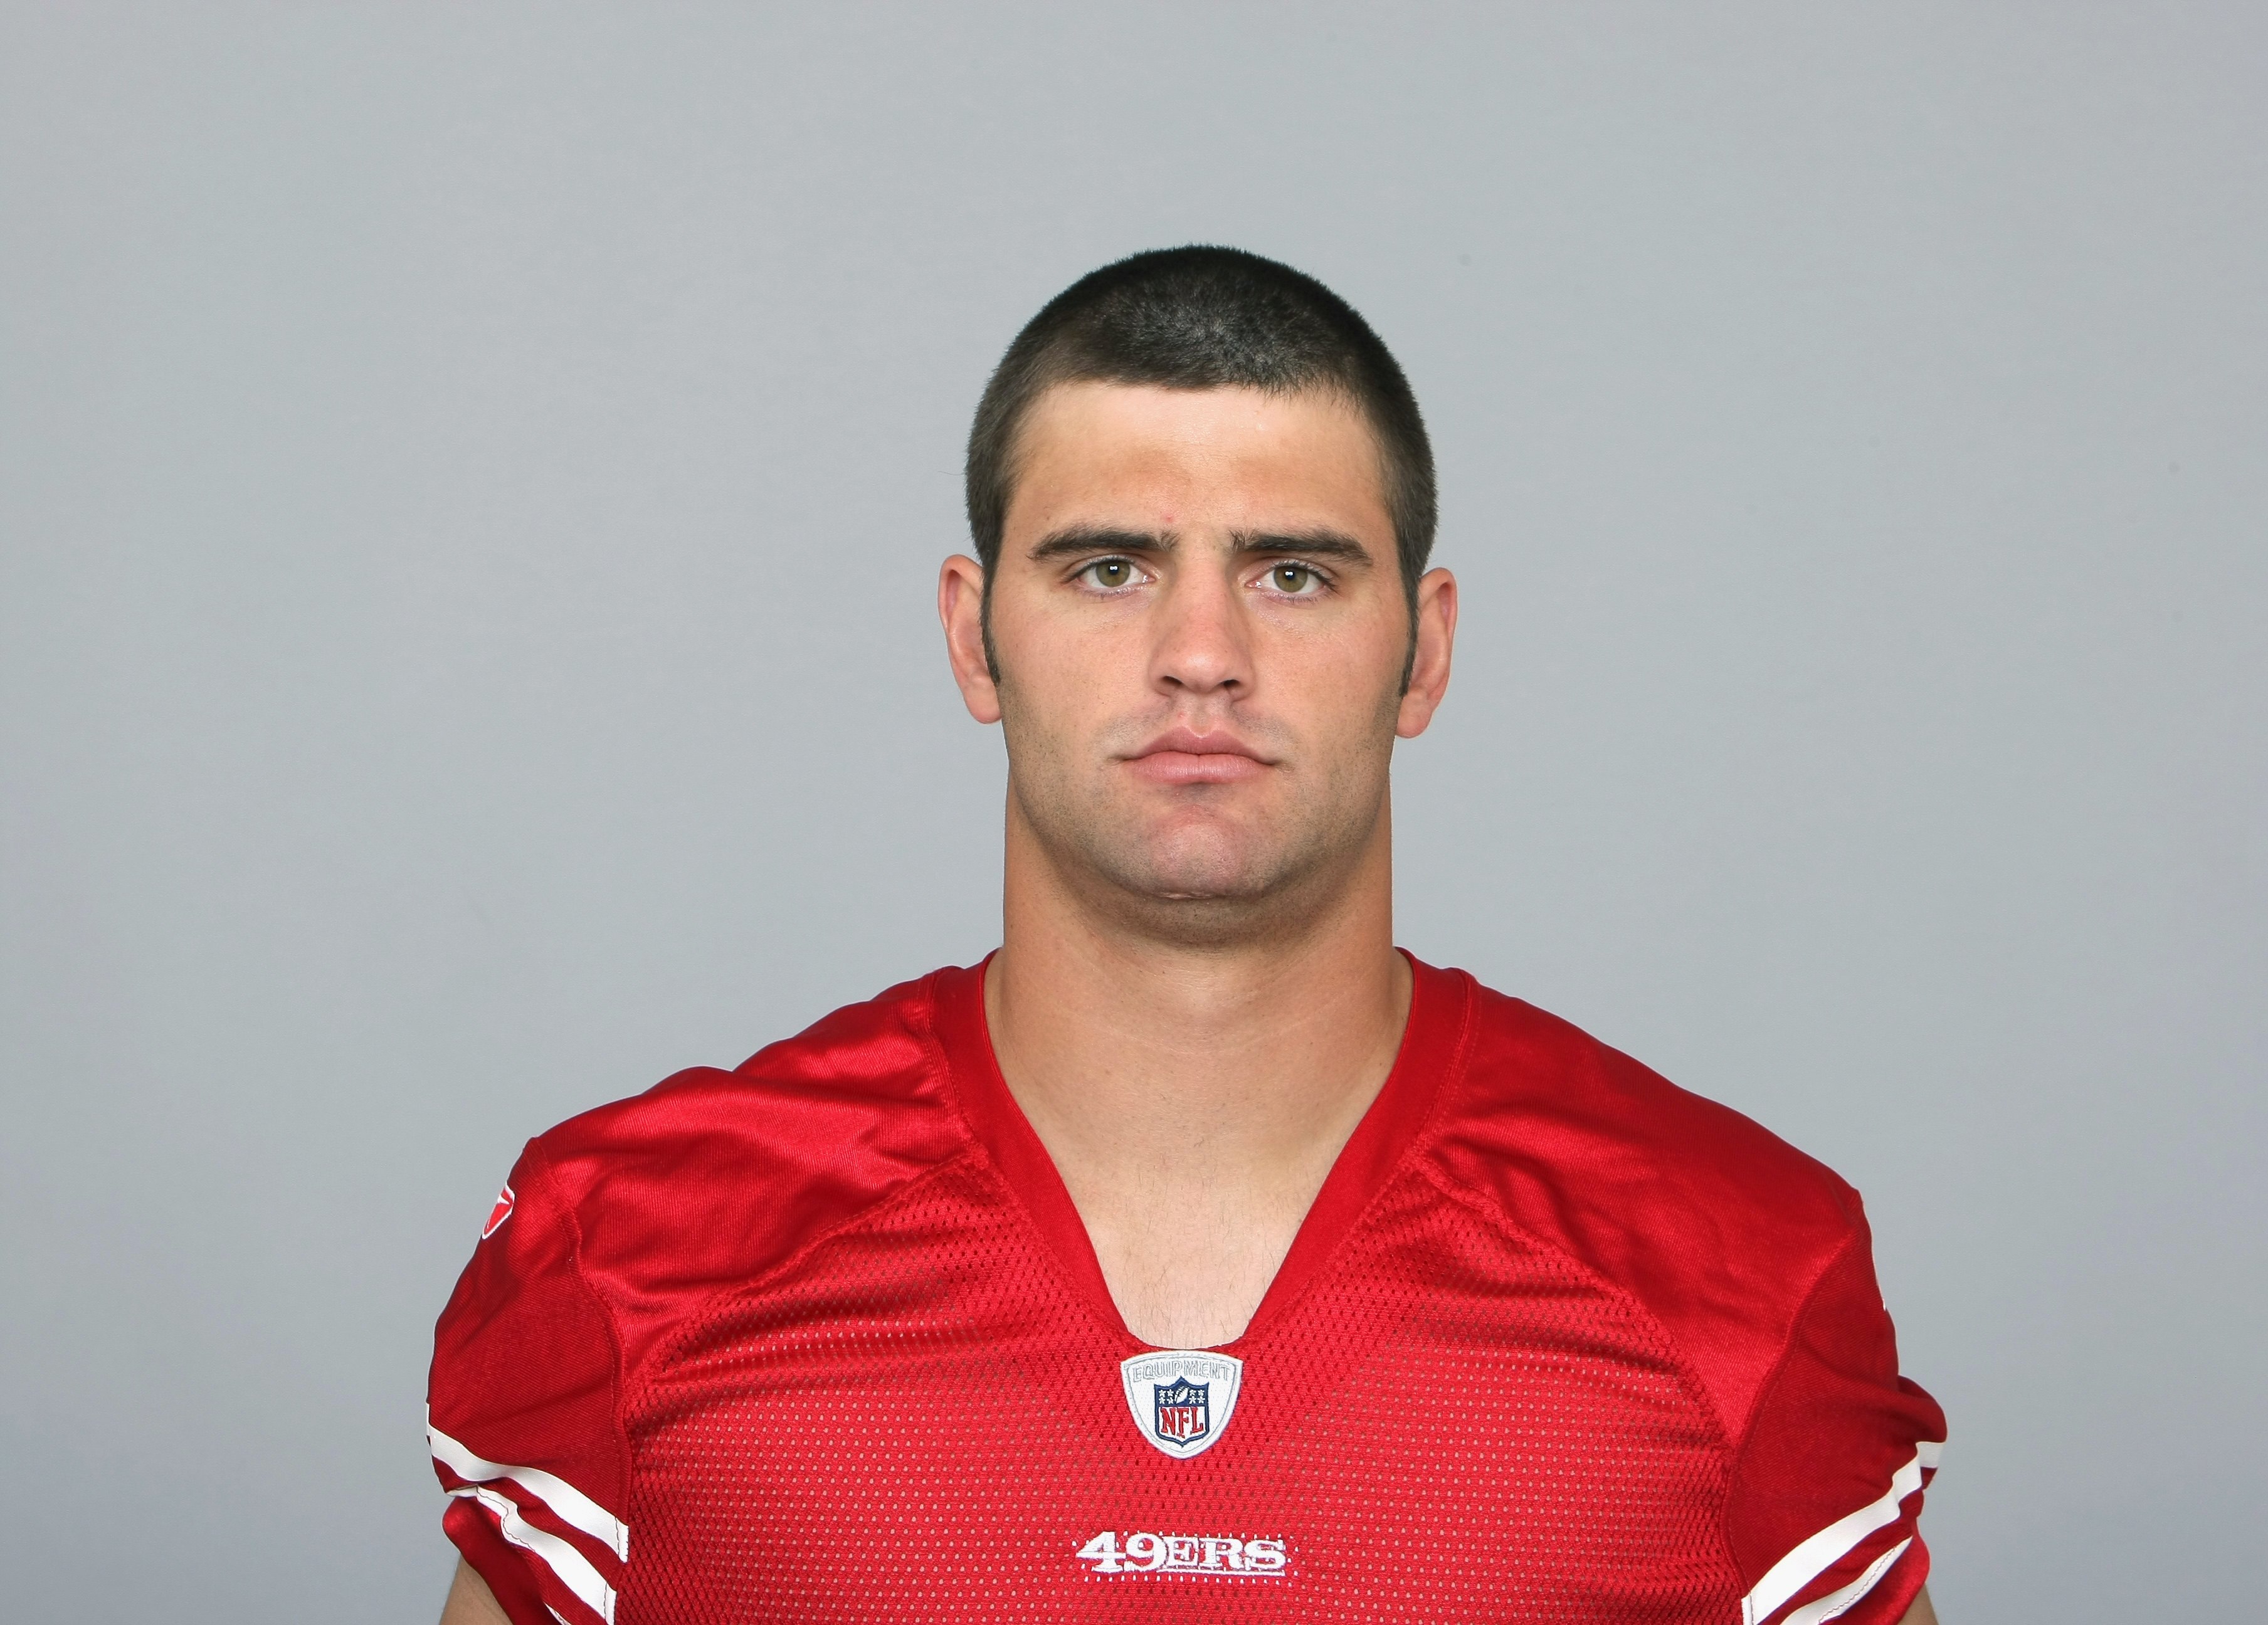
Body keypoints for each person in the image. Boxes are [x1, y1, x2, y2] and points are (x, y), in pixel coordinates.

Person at [428, 246, 1946, 1624]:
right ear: (975, 637)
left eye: (1293, 573)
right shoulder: (636, 1250)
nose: (1201, 657)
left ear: (1423, 655)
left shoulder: (1739, 1269)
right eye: (1111, 568)